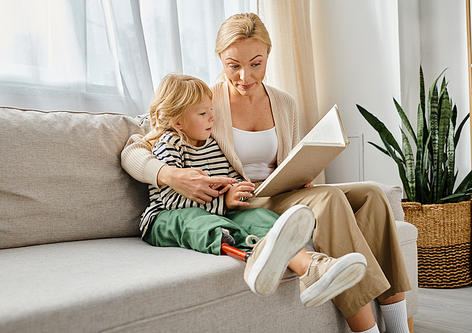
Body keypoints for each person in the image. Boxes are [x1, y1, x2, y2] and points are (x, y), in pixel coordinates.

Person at [122, 13, 412, 333]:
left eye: (256, 64)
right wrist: (168, 175)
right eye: (234, 65)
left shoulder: (284, 103)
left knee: (372, 193)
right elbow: (137, 147)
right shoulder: (204, 101)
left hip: (282, 190)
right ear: (220, 58)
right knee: (329, 199)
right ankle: (366, 329)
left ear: (268, 57)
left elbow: (287, 159)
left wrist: (302, 172)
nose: (245, 75)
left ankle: (401, 326)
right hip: (247, 199)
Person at [135, 72, 367, 303]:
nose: (212, 118)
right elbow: (172, 202)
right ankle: (253, 256)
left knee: (261, 216)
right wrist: (222, 202)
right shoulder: (169, 144)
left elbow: (227, 179)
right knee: (205, 222)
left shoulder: (212, 143)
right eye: (203, 113)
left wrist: (236, 192)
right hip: (165, 218)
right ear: (177, 121)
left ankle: (312, 270)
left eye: (211, 110)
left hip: (216, 210)